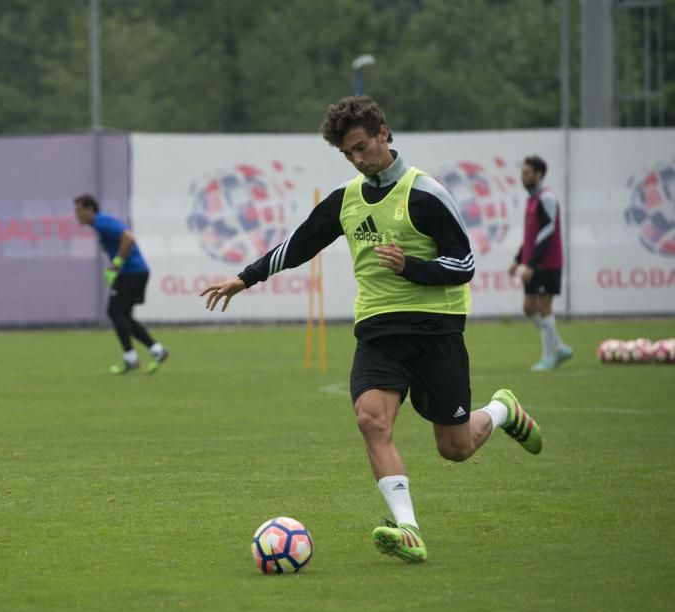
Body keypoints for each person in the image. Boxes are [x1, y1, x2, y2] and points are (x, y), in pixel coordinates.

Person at [199, 96, 543, 564]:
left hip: (434, 331)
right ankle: (408, 529)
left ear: (384, 133)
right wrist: (244, 279)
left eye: (362, 147)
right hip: (379, 332)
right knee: (371, 420)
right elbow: (298, 244)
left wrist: (410, 266)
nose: (358, 160)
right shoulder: (347, 199)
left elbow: (463, 264)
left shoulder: (426, 194)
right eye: (348, 154)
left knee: (455, 447)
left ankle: (502, 409)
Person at [74, 194, 169, 374]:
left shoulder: (103, 222)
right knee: (123, 316)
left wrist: (116, 264)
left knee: (115, 311)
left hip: (131, 272)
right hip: (135, 272)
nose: (76, 215)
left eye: (78, 210)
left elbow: (128, 238)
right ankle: (156, 350)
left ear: (89, 209)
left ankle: (131, 357)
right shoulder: (99, 225)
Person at [509, 156, 572, 371]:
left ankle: (548, 358)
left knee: (544, 307)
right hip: (532, 263)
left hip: (548, 263)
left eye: (526, 173)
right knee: (529, 307)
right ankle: (559, 347)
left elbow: (547, 232)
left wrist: (533, 265)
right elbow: (531, 235)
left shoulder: (547, 198)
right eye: (522, 173)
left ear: (539, 174)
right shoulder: (532, 200)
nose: (522, 177)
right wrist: (518, 260)